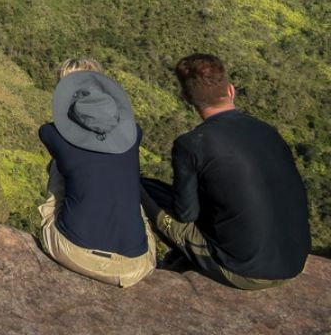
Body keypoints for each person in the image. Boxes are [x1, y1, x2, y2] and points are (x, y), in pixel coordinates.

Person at [140, 53, 310, 289]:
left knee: (138, 187)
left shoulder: (192, 144)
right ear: (231, 90)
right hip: (294, 259)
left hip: (245, 269)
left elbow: (186, 214)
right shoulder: (268, 130)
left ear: (186, 97)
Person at [37, 57, 156, 287]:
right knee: (124, 180)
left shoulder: (51, 133)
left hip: (74, 253)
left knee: (58, 165)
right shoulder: (133, 133)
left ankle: (57, 221)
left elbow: (51, 131)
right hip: (134, 267)